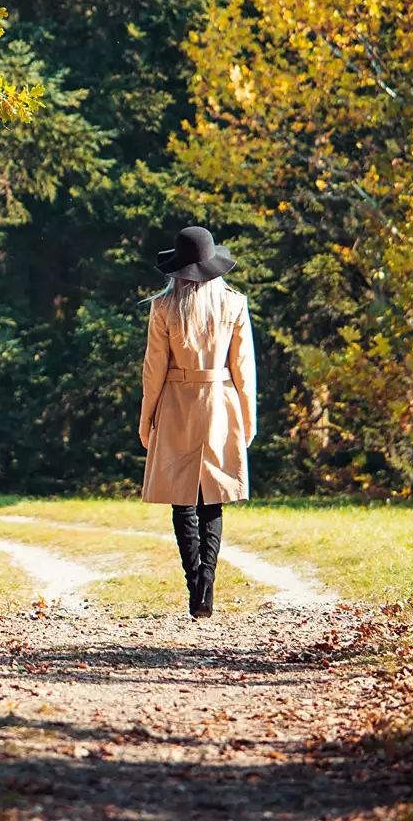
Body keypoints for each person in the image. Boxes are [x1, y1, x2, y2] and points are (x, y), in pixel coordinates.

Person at [138, 226, 257, 619]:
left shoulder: (163, 307)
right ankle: (208, 580)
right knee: (212, 500)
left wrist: (146, 418)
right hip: (221, 404)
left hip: (175, 404)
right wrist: (248, 418)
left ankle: (195, 583)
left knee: (182, 499)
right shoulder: (234, 304)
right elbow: (244, 370)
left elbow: (153, 371)